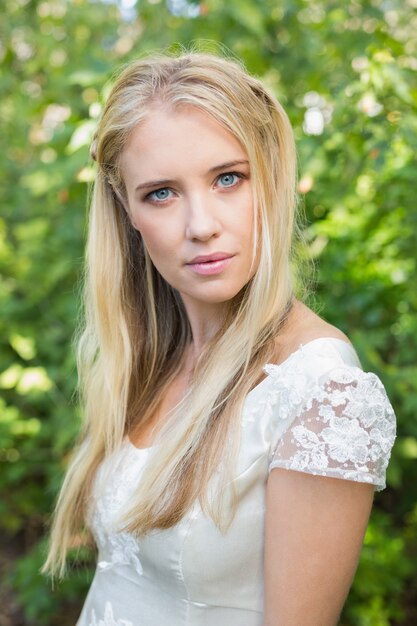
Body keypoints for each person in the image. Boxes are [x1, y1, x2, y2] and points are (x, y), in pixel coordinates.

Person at [42, 51, 396, 626]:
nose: (201, 224)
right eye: (161, 192)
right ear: (126, 208)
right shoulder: (151, 357)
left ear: (271, 177)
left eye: (227, 178)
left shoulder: (323, 392)